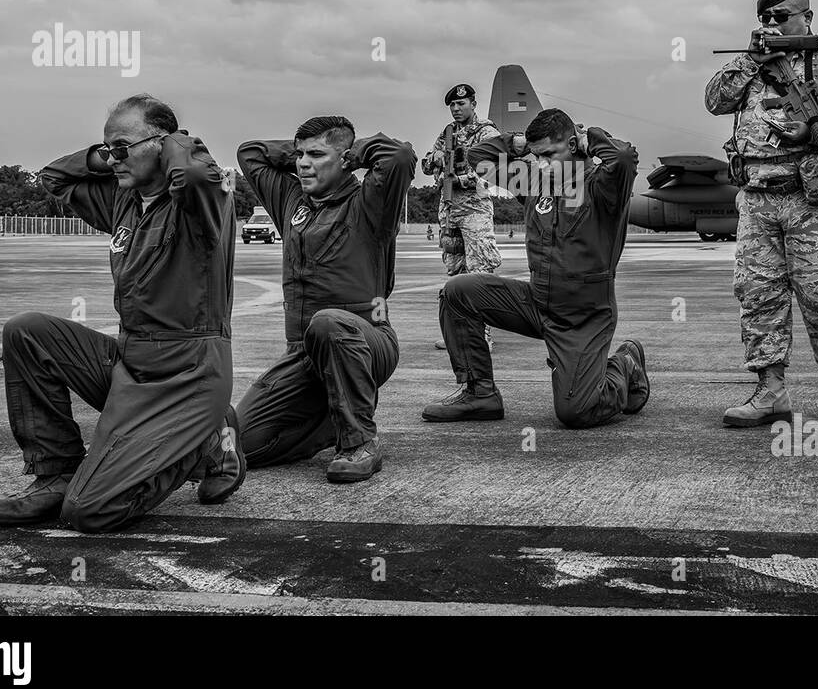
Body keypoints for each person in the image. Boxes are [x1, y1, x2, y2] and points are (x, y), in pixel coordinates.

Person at [0, 95, 243, 530]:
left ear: (162, 145)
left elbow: (195, 172)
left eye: (121, 148)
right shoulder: (124, 201)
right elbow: (54, 177)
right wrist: (109, 155)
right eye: (107, 150)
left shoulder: (202, 203)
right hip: (131, 361)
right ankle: (56, 473)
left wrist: (175, 140)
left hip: (189, 372)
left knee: (90, 511)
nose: (112, 159)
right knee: (26, 332)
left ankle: (205, 438)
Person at [705, 0, 818, 428]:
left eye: (783, 16)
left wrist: (814, 132)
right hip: (757, 199)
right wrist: (749, 59)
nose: (774, 24)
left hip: (810, 200)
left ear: (808, 17)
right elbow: (714, 100)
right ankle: (770, 390)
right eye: (766, 17)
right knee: (758, 296)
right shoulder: (753, 63)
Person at [420, 108, 650, 427]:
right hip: (538, 303)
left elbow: (624, 157)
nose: (541, 164)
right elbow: (478, 157)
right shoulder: (534, 182)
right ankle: (479, 393)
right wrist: (518, 144)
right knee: (458, 293)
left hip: (584, 317)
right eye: (537, 156)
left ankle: (624, 364)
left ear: (573, 145)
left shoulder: (604, 186)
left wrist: (589, 139)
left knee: (576, 412)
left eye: (548, 155)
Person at [235, 117, 416, 482]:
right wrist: (306, 154)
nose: (303, 163)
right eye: (299, 154)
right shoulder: (291, 200)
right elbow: (250, 154)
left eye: (316, 154)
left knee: (329, 322)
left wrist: (354, 154)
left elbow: (398, 156)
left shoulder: (370, 203)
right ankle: (329, 423)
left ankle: (359, 441)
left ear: (346, 159)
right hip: (303, 354)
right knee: (239, 446)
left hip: (367, 341)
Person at [420, 83, 502, 351]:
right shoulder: (447, 133)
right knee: (455, 271)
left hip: (474, 209)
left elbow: (494, 170)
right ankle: (457, 332)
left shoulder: (486, 133)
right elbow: (427, 162)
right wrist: (440, 159)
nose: (456, 109)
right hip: (450, 209)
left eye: (461, 104)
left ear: (473, 104)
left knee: (479, 273)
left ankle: (482, 336)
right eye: (452, 105)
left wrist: (461, 176)